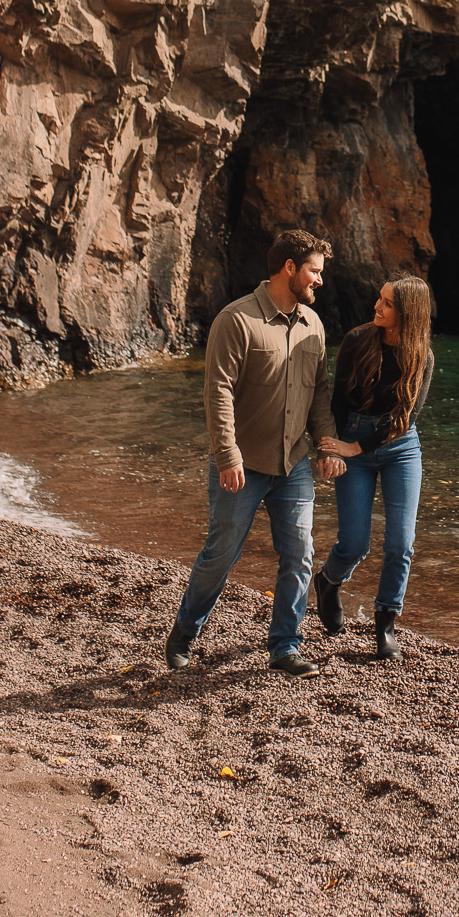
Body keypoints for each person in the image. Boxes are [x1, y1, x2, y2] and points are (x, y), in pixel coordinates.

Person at [165, 226, 345, 680]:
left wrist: (326, 446)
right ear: (290, 268)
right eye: (314, 272)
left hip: (294, 464)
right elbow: (217, 392)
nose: (320, 281)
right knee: (221, 554)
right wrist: (227, 455)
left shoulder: (314, 325)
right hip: (241, 465)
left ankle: (285, 645)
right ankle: (185, 631)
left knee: (301, 552)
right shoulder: (236, 320)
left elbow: (319, 394)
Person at [311, 275, 434, 663]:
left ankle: (385, 624)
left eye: (386, 303)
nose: (376, 307)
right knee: (354, 544)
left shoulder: (423, 356)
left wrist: (356, 446)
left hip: (400, 447)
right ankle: (328, 582)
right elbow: (337, 403)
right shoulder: (357, 341)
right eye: (379, 299)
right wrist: (332, 448)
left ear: (407, 313)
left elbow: (405, 417)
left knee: (401, 543)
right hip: (353, 439)